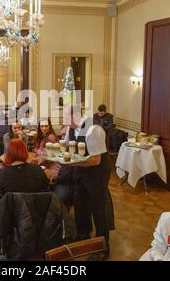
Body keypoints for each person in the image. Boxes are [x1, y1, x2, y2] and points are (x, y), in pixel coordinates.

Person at [62, 104, 113, 260]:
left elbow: (96, 160)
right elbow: (68, 148)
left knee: (98, 208)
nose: (64, 120)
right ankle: (83, 235)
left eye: (65, 117)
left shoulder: (93, 129)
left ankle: (102, 245)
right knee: (80, 203)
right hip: (80, 171)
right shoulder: (71, 129)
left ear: (76, 115)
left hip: (97, 173)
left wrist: (71, 164)